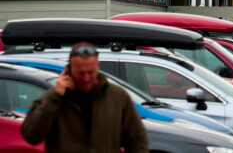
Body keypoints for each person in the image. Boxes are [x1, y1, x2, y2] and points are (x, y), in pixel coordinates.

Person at [21, 42, 149, 152]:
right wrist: (55, 98)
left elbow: (137, 141)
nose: (86, 78)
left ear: (98, 66)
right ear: (69, 70)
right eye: (80, 73)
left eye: (90, 72)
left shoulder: (117, 97)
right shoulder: (52, 99)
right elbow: (31, 136)